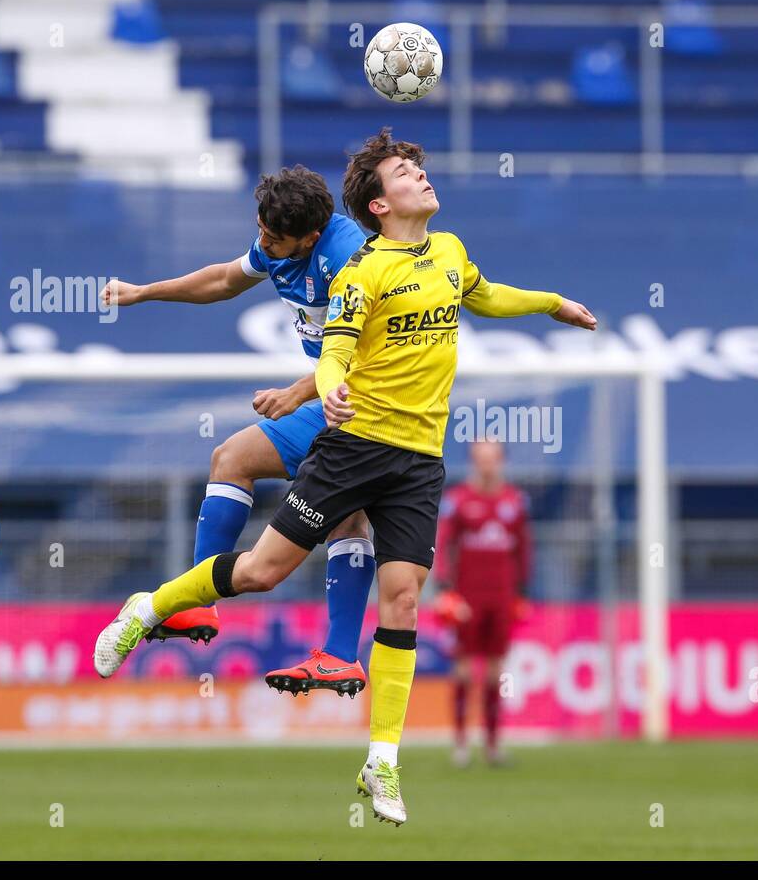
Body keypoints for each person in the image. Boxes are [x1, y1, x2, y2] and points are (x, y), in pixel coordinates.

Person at [93, 128, 597, 825]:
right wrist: (320, 390)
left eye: (417, 168)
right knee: (262, 565)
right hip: (353, 437)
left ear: (309, 234)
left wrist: (551, 304)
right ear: (380, 204)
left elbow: (485, 295)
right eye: (405, 171)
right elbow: (335, 349)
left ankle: (381, 760)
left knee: (405, 602)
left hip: (419, 458)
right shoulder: (362, 270)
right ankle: (152, 608)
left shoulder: (432, 253)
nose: (420, 175)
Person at [101, 166, 376, 683]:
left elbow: (372, 351)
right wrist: (144, 293)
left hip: (360, 402)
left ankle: (341, 654)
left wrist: (297, 391)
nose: (264, 244)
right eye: (261, 233)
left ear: (311, 238)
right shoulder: (277, 243)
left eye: (275, 240)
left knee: (344, 521)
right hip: (330, 397)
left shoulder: (351, 259)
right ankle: (202, 601)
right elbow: (226, 279)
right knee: (235, 461)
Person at [435, 439, 531, 767]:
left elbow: (524, 550)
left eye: (492, 459)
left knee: (495, 671)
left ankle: (492, 745)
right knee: (463, 669)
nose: (487, 465)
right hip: (467, 597)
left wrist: (523, 591)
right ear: (474, 462)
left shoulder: (514, 502)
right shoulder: (460, 500)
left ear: (501, 461)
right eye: (481, 459)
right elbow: (444, 542)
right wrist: (445, 587)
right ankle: (461, 744)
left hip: (502, 597)